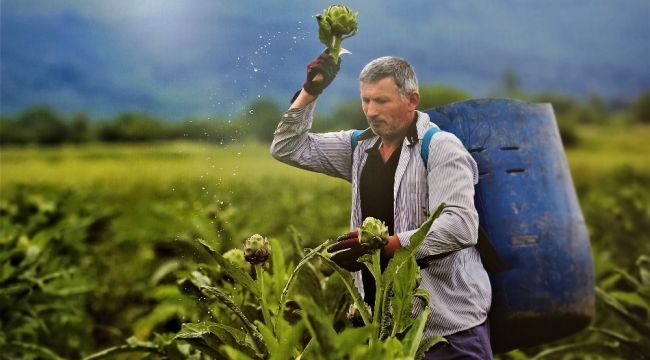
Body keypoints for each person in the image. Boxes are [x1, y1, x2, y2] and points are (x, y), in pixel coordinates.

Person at [270, 52, 493, 359]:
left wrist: (389, 246)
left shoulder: (441, 148)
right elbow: (287, 147)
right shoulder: (359, 148)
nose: (371, 112)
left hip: (445, 330)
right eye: (366, 100)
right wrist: (311, 92)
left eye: (382, 101)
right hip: (381, 330)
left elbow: (460, 225)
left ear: (412, 99)